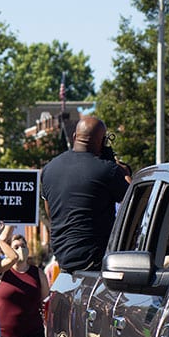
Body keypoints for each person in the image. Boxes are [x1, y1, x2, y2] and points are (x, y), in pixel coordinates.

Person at [40, 115, 131, 273]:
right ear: (102, 141)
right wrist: (123, 171)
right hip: (97, 263)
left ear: (75, 137)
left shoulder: (49, 169)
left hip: (63, 260)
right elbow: (135, 200)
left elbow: (50, 213)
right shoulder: (108, 170)